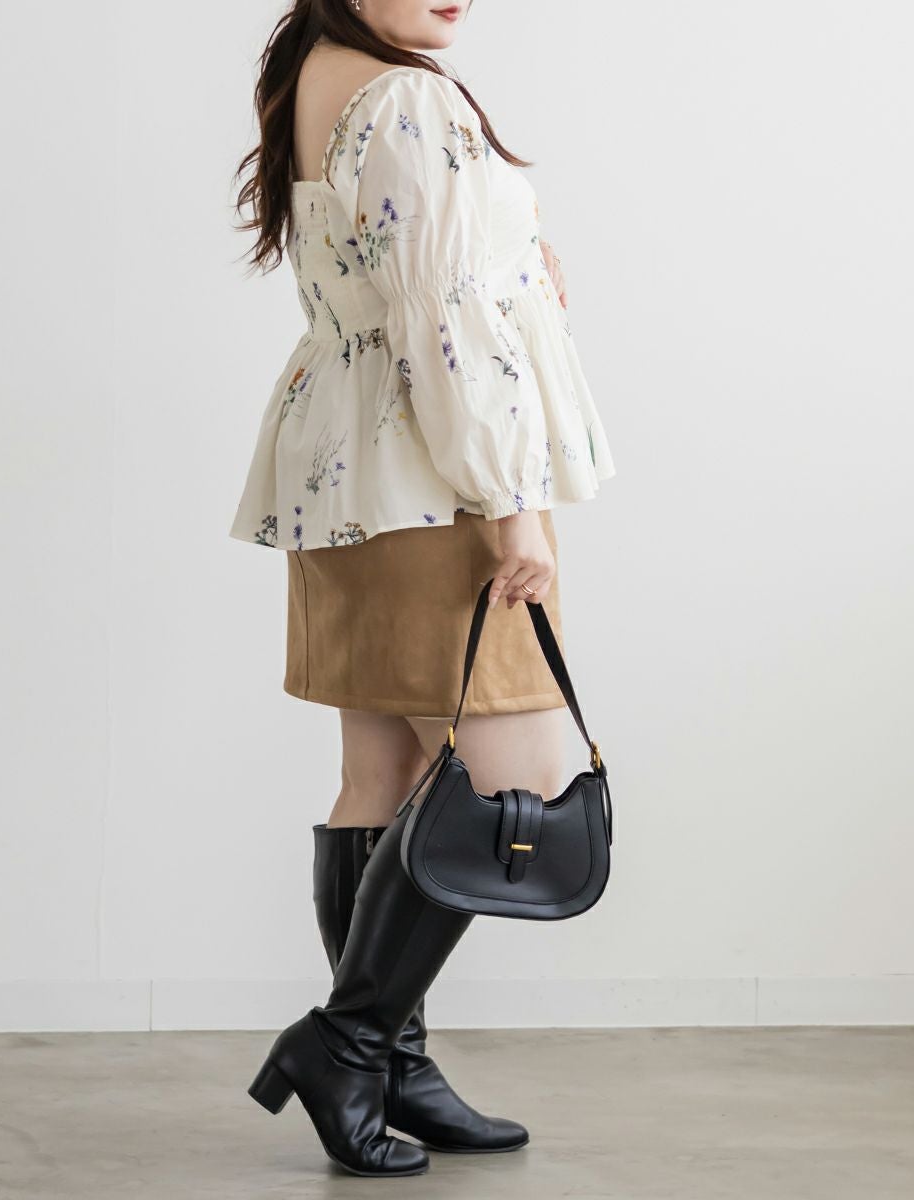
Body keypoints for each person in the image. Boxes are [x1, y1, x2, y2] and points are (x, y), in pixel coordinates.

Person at [228, 0, 616, 1178]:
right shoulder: (403, 95)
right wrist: (512, 502)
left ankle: (389, 1062)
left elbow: (403, 280)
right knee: (517, 782)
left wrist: (522, 275)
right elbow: (443, 321)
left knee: (384, 775)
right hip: (434, 487)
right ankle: (347, 1045)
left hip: (346, 471)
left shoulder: (319, 70)